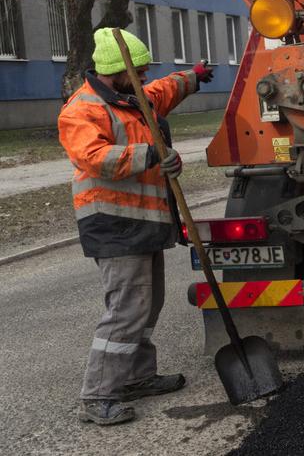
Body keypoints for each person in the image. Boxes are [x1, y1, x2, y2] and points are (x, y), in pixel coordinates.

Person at [59, 28, 214, 425]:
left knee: (148, 305)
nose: (145, 77)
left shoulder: (133, 99)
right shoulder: (82, 110)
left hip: (143, 222)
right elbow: (94, 157)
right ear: (116, 72)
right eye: (139, 71)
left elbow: (163, 91)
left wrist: (192, 76)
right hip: (112, 225)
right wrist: (153, 155)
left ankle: (137, 376)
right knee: (127, 310)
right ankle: (98, 395)